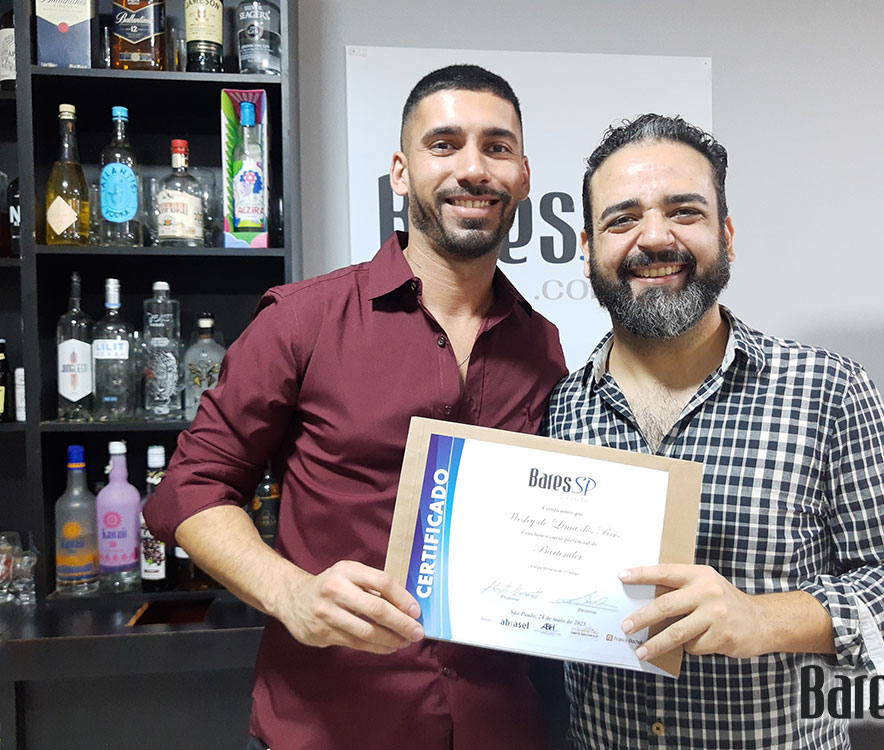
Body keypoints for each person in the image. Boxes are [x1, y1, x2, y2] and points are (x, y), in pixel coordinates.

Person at [144, 65, 567, 750]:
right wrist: (291, 595)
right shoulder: (302, 321)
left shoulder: (541, 344)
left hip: (501, 726)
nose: (472, 168)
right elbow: (190, 489)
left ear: (522, 177)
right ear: (401, 172)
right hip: (332, 726)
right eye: (444, 144)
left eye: (497, 147)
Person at [545, 114, 884, 749]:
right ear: (587, 248)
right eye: (623, 219)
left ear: (726, 236)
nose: (656, 237)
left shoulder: (827, 389)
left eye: (685, 212)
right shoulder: (561, 408)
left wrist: (764, 618)